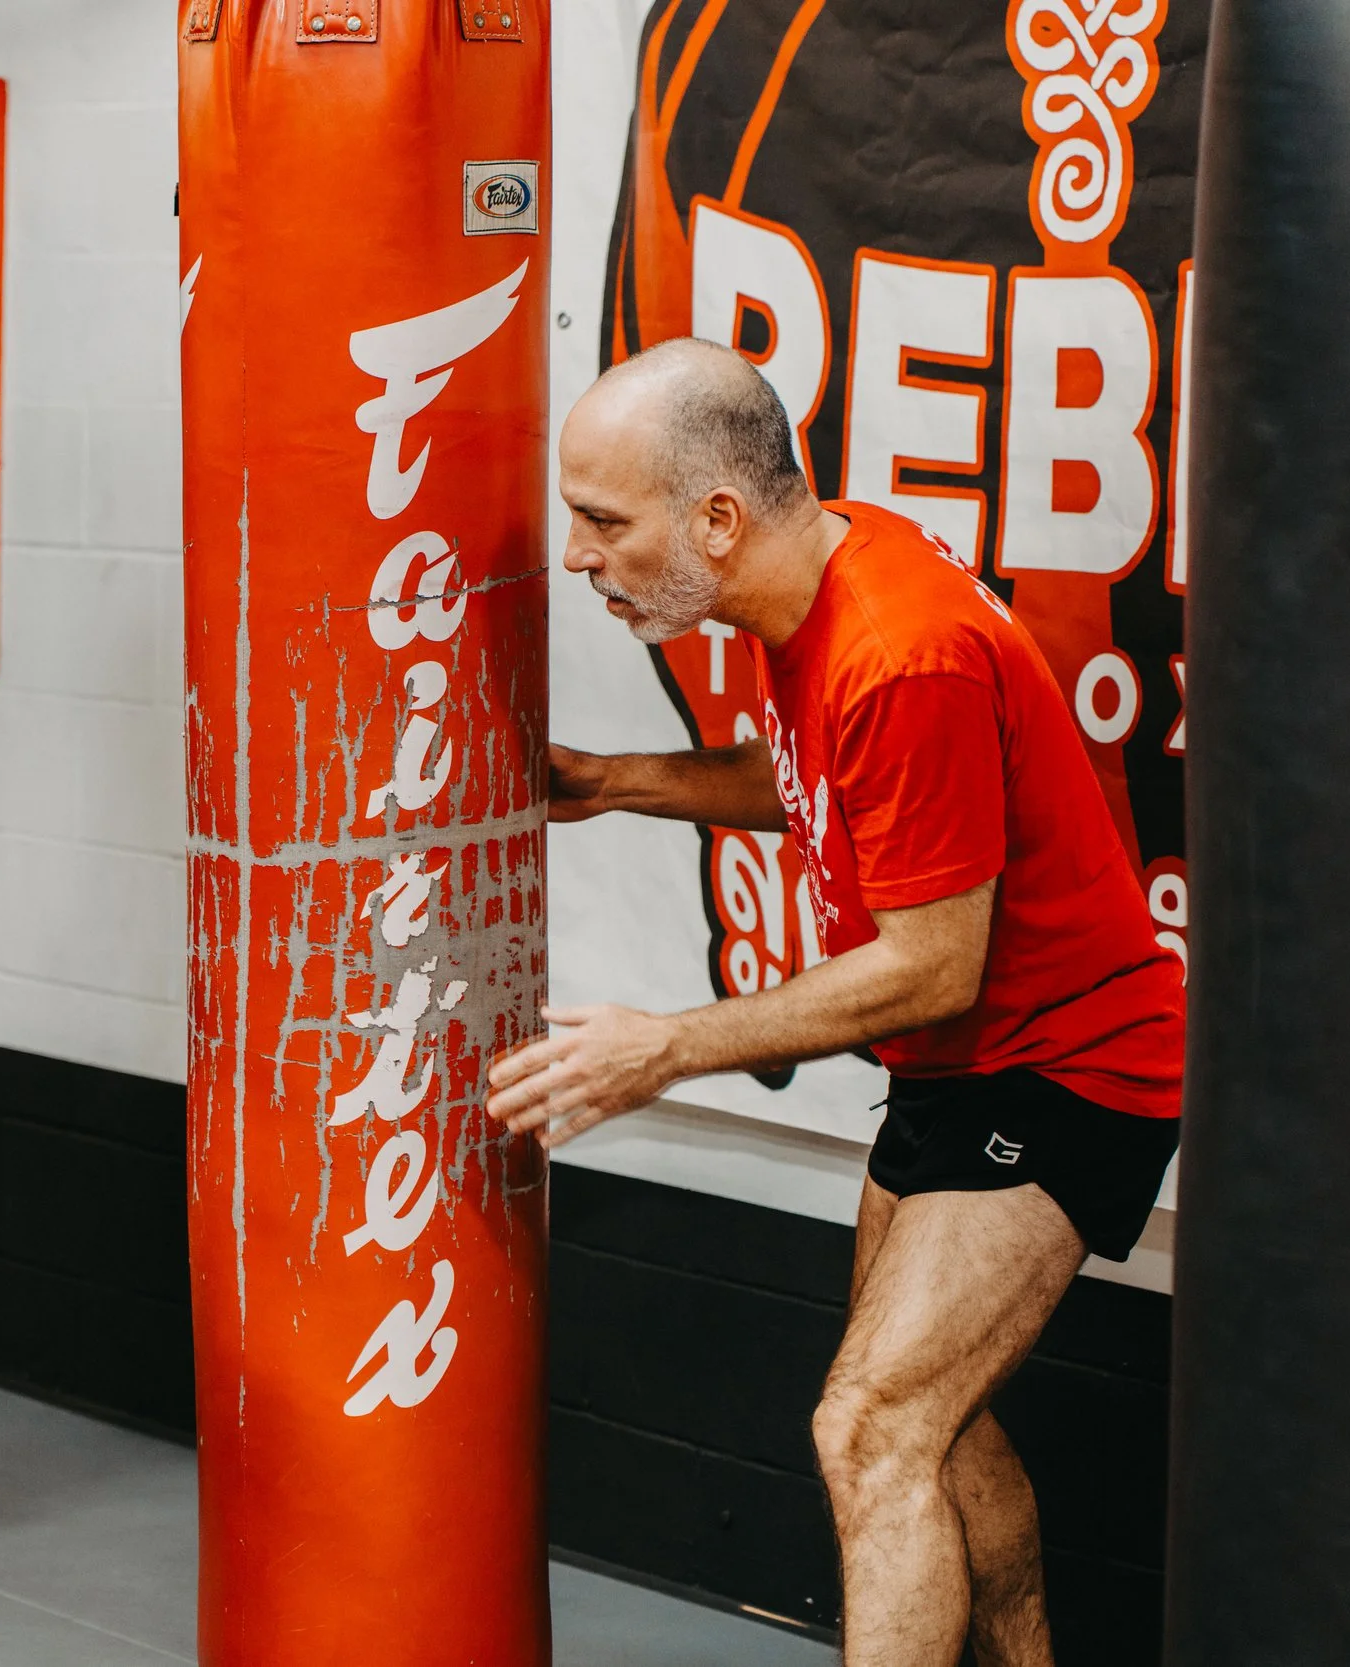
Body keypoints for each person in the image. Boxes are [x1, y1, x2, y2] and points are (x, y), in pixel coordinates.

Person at [486, 338, 1183, 1667]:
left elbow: (932, 964)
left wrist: (667, 1044)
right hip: (957, 1068)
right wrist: (618, 778)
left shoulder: (899, 648)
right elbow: (821, 783)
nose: (579, 557)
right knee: (944, 1417)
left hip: (1064, 1064)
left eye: (601, 522)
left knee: (873, 1425)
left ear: (717, 518)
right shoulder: (819, 575)